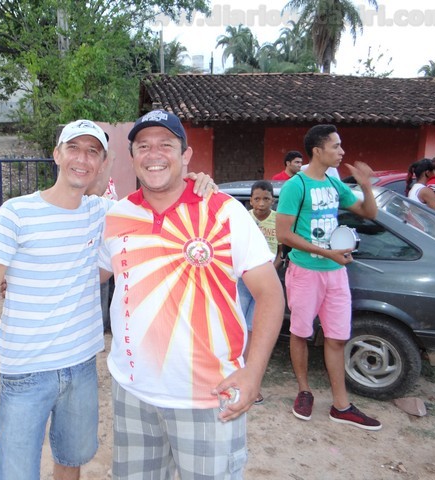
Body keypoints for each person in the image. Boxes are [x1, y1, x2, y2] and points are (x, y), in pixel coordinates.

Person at [0, 119, 216, 480]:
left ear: (102, 163)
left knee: (72, 460)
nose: (82, 159)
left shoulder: (105, 213)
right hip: (25, 369)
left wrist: (197, 181)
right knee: (14, 472)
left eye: (92, 152)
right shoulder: (16, 212)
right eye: (73, 148)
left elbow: (156, 203)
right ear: (57, 154)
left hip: (82, 365)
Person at [98, 110, 285, 479]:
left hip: (208, 398)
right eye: (143, 146)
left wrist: (253, 373)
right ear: (132, 158)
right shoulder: (118, 215)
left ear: (185, 155)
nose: (154, 154)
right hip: (132, 393)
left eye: (166, 145)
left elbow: (270, 295)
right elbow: (93, 275)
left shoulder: (225, 212)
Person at [276, 124, 383, 431]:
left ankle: (341, 405)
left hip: (336, 274)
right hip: (305, 272)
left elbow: (369, 213)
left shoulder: (335, 185)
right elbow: (283, 234)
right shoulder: (296, 185)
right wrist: (326, 253)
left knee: (337, 337)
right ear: (317, 151)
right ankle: (304, 391)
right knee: (300, 333)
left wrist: (365, 186)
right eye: (336, 146)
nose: (342, 151)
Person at [237, 180, 283, 404]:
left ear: (273, 200)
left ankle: (249, 375)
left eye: (266, 199)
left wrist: (270, 273)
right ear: (251, 201)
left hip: (265, 283)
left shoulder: (277, 220)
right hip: (242, 280)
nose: (261, 203)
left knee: (254, 327)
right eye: (257, 199)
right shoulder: (243, 218)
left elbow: (280, 252)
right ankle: (236, 370)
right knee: (238, 324)